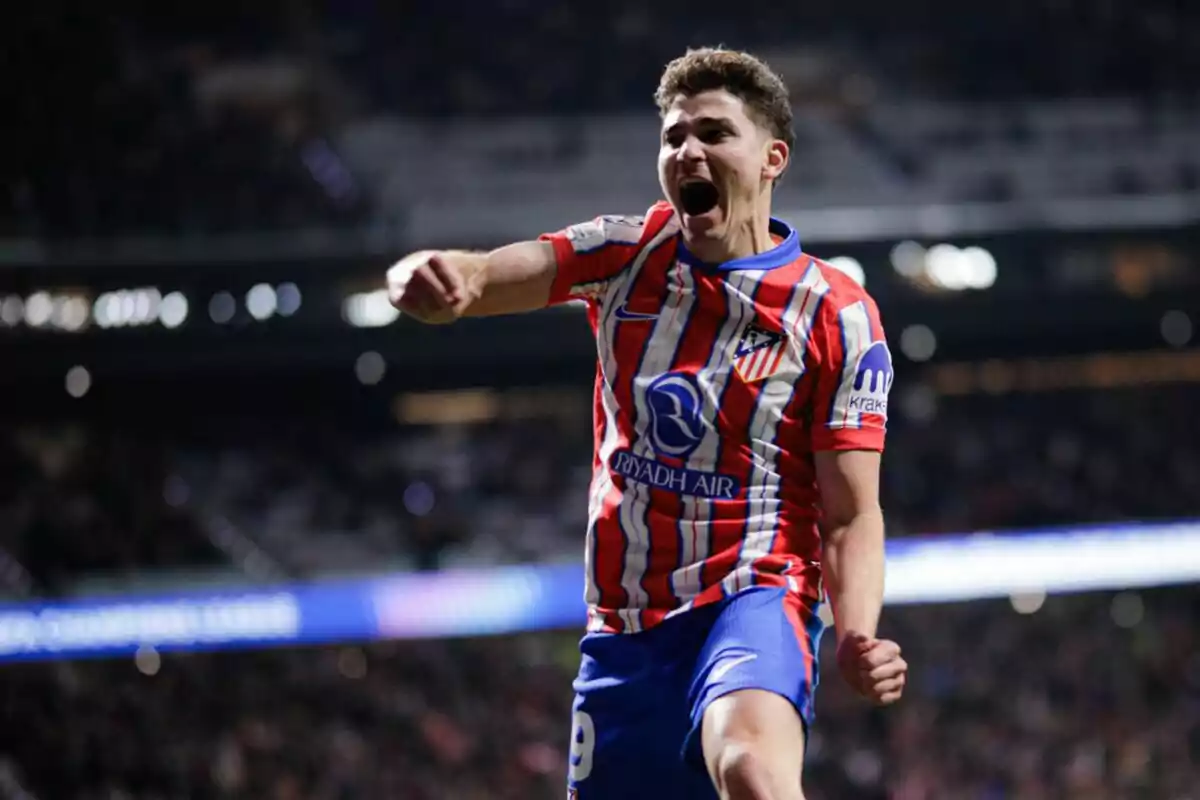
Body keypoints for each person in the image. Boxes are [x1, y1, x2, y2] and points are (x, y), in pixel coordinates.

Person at [387, 47, 907, 800]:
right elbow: (491, 274)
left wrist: (857, 631)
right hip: (625, 628)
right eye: (673, 137)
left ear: (772, 159)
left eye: (714, 132)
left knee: (753, 769)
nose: (688, 150)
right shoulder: (625, 254)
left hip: (754, 594)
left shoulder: (836, 313)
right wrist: (435, 277)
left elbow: (851, 512)